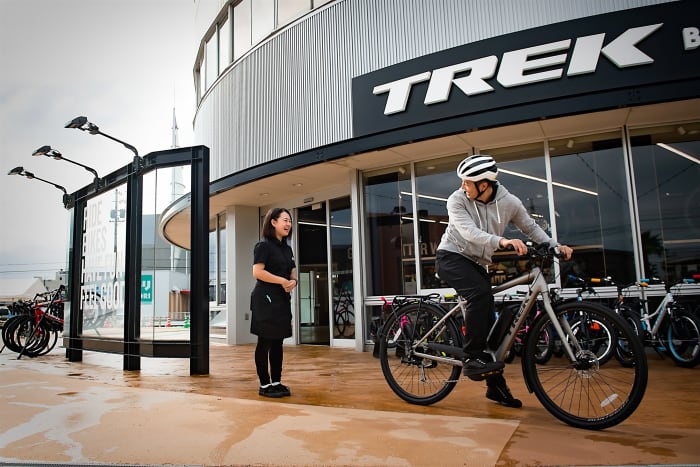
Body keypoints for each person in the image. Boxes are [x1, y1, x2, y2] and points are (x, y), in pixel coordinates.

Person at [435, 155, 573, 408]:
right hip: (452, 256)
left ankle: (496, 388)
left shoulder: (509, 203)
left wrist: (554, 246)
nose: (463, 186)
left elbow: (530, 228)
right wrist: (503, 242)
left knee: (490, 326)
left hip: (478, 262)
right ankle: (472, 357)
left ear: (484, 185)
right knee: (480, 295)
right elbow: (468, 232)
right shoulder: (456, 200)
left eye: (467, 182)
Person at [250, 207, 298, 398]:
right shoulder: (263, 246)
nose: (288, 224)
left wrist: (293, 281)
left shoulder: (287, 249)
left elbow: (292, 272)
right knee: (265, 342)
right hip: (265, 299)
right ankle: (264, 384)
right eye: (285, 220)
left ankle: (276, 381)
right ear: (273, 222)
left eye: (290, 221)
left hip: (281, 300)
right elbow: (257, 272)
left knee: (278, 342)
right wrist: (281, 281)